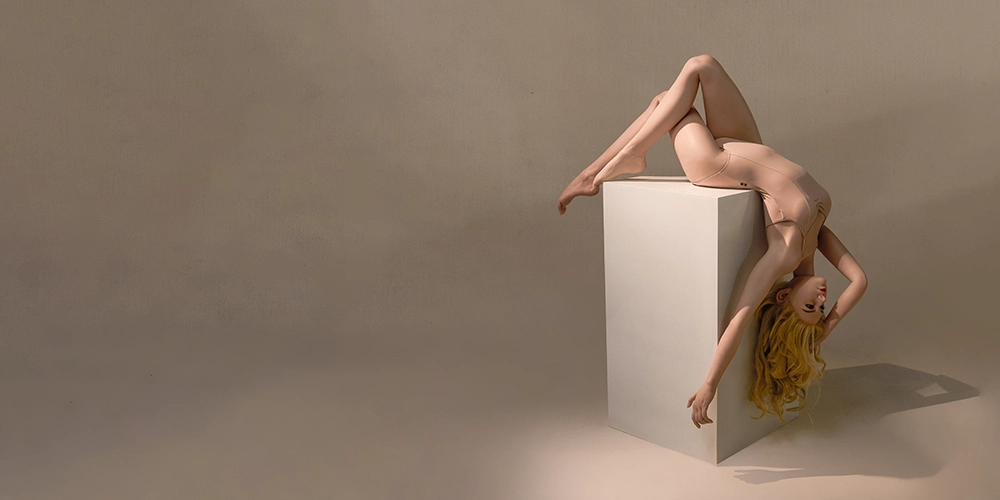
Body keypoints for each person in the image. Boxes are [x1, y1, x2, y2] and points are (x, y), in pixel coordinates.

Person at [557, 55, 868, 428]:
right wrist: (821, 331)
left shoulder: (782, 256)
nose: (821, 301)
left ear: (784, 297)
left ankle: (603, 170)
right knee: (697, 71)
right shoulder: (815, 241)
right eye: (821, 306)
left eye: (810, 308)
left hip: (717, 163)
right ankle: (605, 168)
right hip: (747, 147)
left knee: (673, 94)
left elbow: (738, 319)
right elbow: (860, 281)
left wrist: (710, 384)